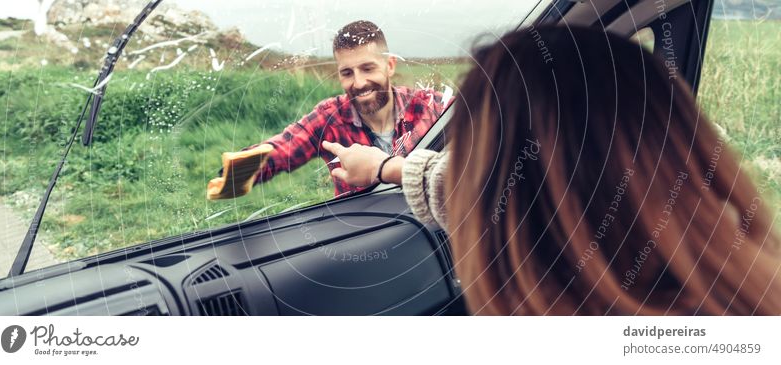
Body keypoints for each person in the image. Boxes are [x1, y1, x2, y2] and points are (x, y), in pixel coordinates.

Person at [322, 25, 781, 315]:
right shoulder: (742, 284)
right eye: (348, 73)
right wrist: (386, 167)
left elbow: (491, 194)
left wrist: (387, 168)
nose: (359, 82)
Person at [230, 20, 450, 198]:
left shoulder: (429, 106)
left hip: (423, 225)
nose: (359, 82)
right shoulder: (330, 117)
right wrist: (234, 172)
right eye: (347, 73)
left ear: (389, 66)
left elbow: (478, 121)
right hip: (361, 228)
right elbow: (284, 148)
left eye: (367, 68)